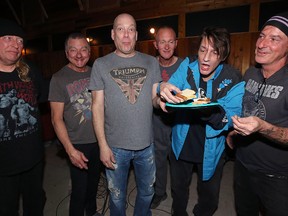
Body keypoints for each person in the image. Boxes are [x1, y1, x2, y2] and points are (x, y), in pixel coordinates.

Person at [157, 26, 245, 216]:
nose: (205, 58)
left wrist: (209, 111)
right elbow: (171, 87)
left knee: (209, 198)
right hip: (182, 143)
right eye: (203, 49)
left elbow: (232, 116)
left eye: (214, 52)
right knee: (179, 192)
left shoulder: (233, 77)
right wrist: (162, 88)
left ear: (223, 55)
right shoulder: (188, 64)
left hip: (212, 148)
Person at [89, 13, 161, 216]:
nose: (126, 34)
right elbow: (97, 106)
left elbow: (154, 100)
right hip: (115, 146)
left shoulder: (151, 62)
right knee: (117, 195)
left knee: (147, 193)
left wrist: (163, 101)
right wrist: (102, 145)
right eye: (121, 29)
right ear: (113, 34)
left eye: (131, 29)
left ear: (137, 35)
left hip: (146, 144)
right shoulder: (101, 65)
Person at [227, 12, 288, 216]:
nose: (262, 43)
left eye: (274, 38)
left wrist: (263, 127)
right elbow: (249, 110)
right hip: (243, 165)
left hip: (277, 176)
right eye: (262, 36)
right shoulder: (250, 73)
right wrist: (235, 132)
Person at [49, 33, 102, 216]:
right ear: (66, 52)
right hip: (77, 144)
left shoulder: (96, 72)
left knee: (94, 184)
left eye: (83, 49)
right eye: (73, 50)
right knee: (79, 190)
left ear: (89, 51)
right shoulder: (58, 78)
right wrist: (70, 150)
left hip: (99, 140)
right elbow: (56, 119)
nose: (79, 55)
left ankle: (92, 211)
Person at [0, 18, 46, 216]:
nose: (15, 44)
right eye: (8, 38)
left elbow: (43, 101)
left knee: (35, 205)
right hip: (3, 166)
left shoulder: (30, 71)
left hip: (33, 159)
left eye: (19, 40)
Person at [151, 26, 183, 209]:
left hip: (181, 122)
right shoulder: (150, 65)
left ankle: (178, 200)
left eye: (170, 41)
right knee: (159, 160)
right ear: (155, 44)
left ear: (176, 43)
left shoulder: (184, 65)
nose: (166, 46)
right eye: (162, 41)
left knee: (179, 162)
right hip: (158, 122)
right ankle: (159, 193)